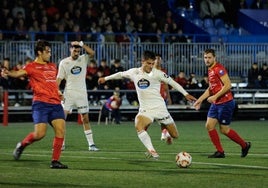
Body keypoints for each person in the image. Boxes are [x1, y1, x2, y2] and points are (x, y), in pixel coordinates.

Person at [98, 50, 196, 159]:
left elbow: (172, 82)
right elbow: (121, 74)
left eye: (152, 63)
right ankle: (152, 150)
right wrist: (105, 78)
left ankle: (168, 135)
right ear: (142, 61)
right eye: (148, 63)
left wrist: (186, 94)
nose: (151, 66)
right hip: (146, 109)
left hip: (160, 108)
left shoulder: (158, 73)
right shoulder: (134, 72)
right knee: (138, 124)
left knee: (175, 135)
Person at [3, 40, 68, 169]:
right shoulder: (31, 67)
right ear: (39, 52)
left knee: (61, 131)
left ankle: (55, 161)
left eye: (50, 51)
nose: (50, 54)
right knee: (39, 134)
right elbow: (17, 73)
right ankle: (22, 145)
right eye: (47, 52)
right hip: (41, 104)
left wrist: (58, 91)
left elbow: (52, 83)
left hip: (55, 103)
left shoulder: (52, 66)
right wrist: (8, 73)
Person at [193, 48, 251, 158]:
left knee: (224, 130)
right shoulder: (210, 70)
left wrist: (215, 96)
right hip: (216, 103)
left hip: (226, 103)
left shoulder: (219, 69)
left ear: (214, 58)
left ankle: (245, 145)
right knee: (209, 126)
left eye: (209, 57)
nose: (207, 60)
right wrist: (199, 100)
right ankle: (220, 151)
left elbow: (228, 85)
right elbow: (211, 88)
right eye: (205, 58)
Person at [56, 41, 99, 151]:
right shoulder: (64, 63)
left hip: (81, 94)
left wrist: (81, 44)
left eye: (78, 51)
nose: (76, 53)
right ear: (70, 50)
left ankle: (91, 144)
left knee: (85, 119)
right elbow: (59, 78)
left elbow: (92, 53)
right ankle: (62, 144)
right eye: (74, 50)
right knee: (61, 119)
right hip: (68, 94)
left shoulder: (83, 59)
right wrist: (57, 90)